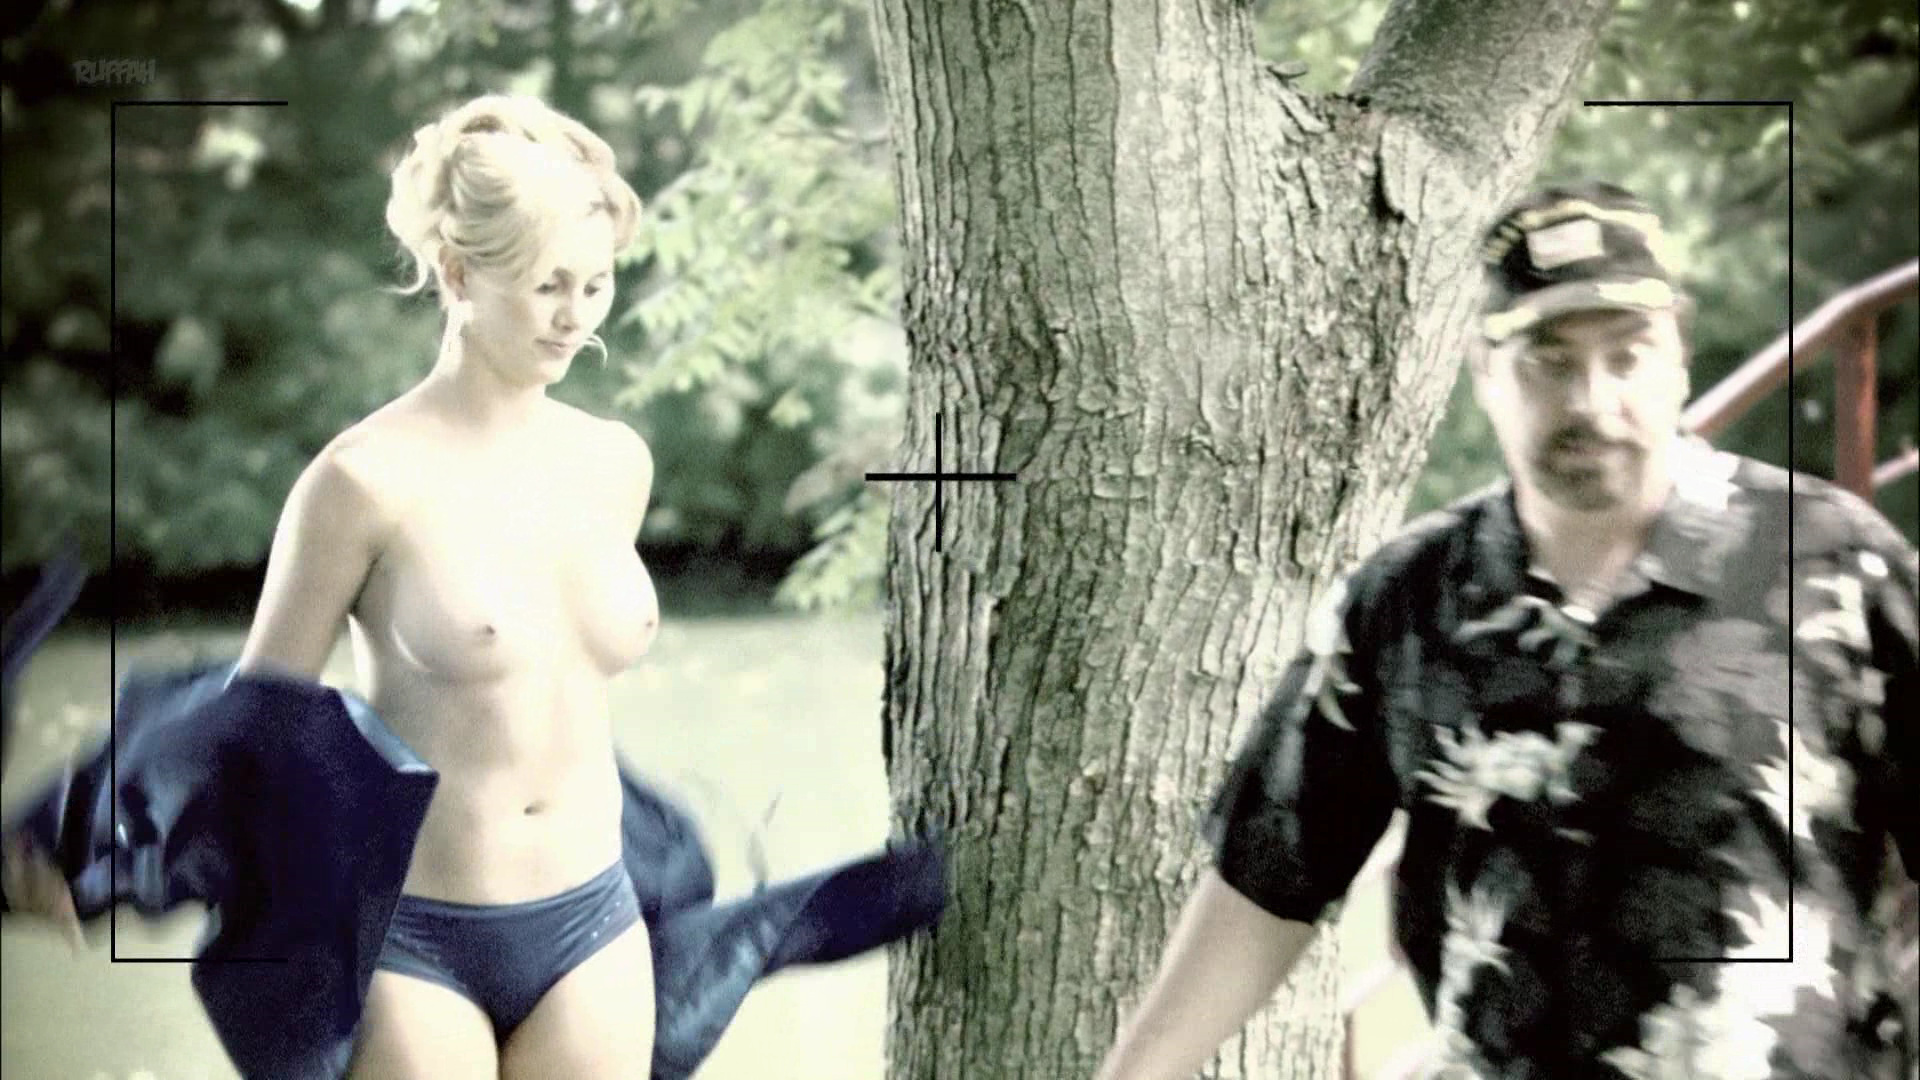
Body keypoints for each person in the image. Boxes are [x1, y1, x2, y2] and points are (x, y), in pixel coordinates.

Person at [0, 93, 946, 1080]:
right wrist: (94, 846)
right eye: (547, 286)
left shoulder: (614, 462)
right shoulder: (360, 480)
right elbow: (254, 720)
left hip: (595, 922)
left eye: (597, 283)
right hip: (412, 937)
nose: (576, 315)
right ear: (457, 273)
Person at [1094, 182, 1918, 1080]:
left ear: (1679, 358)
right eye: (1548, 363)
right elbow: (1267, 882)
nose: (1592, 401)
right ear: (1486, 373)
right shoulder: (1408, 600)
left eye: (1626, 356)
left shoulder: (1832, 564)